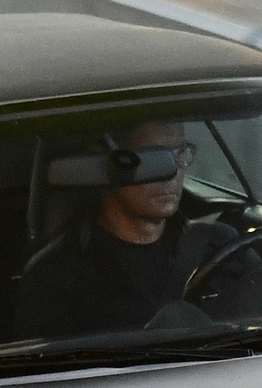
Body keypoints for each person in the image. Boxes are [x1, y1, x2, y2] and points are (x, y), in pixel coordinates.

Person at [15, 120, 238, 338]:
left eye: (180, 153)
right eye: (153, 158)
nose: (173, 171)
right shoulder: (57, 274)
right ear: (105, 165)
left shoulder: (220, 244)